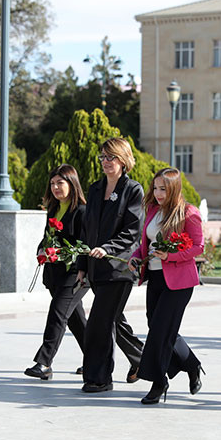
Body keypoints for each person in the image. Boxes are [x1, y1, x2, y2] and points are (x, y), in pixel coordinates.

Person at [129, 168, 205, 405]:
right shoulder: (153, 210)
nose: (158, 193)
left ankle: (158, 381)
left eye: (163, 189)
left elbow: (198, 247)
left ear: (174, 188)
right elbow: (146, 243)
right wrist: (136, 256)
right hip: (155, 277)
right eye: (155, 188)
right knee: (157, 325)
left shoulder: (188, 213)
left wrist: (170, 256)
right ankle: (192, 365)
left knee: (160, 331)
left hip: (179, 282)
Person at [76, 138, 144, 393]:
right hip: (96, 269)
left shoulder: (133, 190)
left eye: (111, 157)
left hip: (119, 269)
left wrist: (108, 248)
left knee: (99, 324)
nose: (105, 162)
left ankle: (100, 379)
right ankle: (146, 360)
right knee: (112, 320)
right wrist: (82, 264)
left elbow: (132, 231)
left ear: (123, 160)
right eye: (102, 157)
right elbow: (87, 229)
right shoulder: (95, 189)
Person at [24, 165, 88, 380]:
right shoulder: (53, 209)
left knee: (57, 314)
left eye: (60, 183)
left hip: (76, 273)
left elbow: (84, 244)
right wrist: (42, 250)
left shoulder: (82, 211)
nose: (55, 187)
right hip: (55, 273)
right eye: (52, 183)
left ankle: (44, 363)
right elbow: (48, 237)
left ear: (72, 183)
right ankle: (95, 359)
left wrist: (66, 256)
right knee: (76, 320)